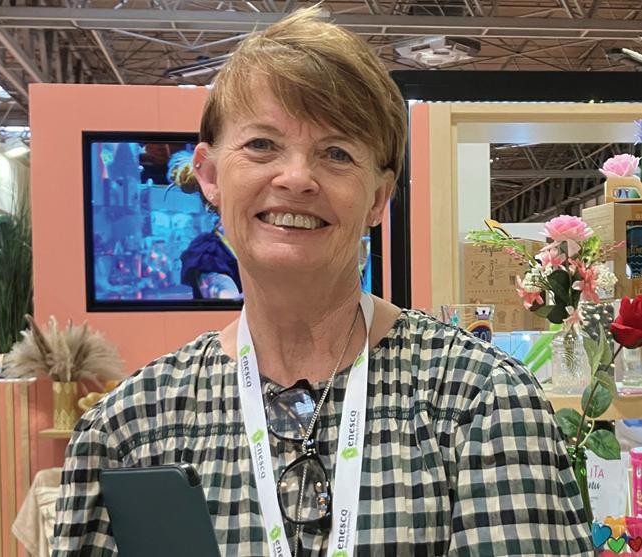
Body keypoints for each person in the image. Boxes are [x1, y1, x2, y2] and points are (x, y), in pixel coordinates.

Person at [52, 8, 593, 556]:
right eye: (261, 145)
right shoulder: (132, 428)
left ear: (378, 199)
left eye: (336, 153)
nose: (296, 178)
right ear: (210, 175)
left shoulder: (480, 400)